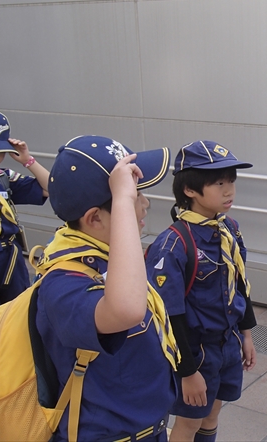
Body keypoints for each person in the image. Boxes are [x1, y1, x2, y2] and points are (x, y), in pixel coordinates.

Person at [34, 135, 177, 441]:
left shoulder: (108, 257)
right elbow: (126, 309)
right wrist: (124, 201)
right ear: (95, 218)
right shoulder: (62, 283)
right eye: (135, 195)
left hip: (149, 430)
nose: (145, 204)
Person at [145, 140, 257, 442]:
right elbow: (169, 314)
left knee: (212, 413)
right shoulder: (174, 244)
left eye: (231, 181)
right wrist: (187, 371)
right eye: (219, 182)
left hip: (227, 343)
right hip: (195, 350)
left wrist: (246, 335)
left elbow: (240, 284)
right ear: (190, 190)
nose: (229, 190)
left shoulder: (229, 229)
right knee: (189, 423)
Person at [0, 107, 49, 326]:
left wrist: (28, 161)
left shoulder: (1, 178)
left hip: (9, 260)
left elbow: (50, 188)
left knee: (17, 320)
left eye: (0, 151)